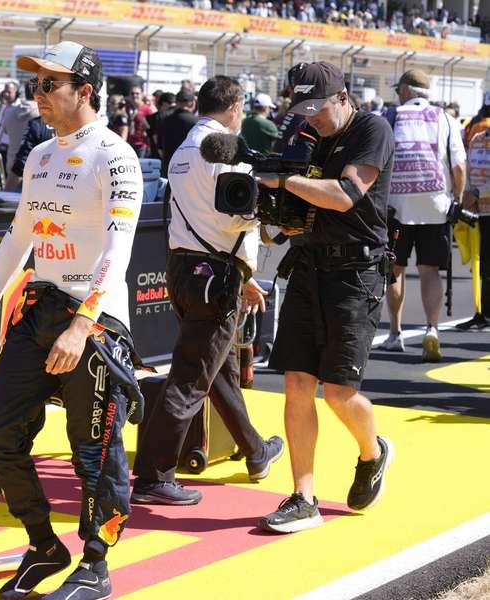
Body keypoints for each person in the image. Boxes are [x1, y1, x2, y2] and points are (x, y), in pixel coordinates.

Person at [0, 41, 144, 600]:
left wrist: (83, 324)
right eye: (35, 85)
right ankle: (43, 544)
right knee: (1, 436)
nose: (38, 96)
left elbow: (119, 248)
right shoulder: (40, 155)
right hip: (38, 315)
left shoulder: (116, 155)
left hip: (96, 324)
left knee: (94, 452)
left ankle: (96, 562)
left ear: (85, 91)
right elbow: (17, 240)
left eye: (49, 85)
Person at [131, 76, 284, 507]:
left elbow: (201, 218)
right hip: (214, 274)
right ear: (235, 107)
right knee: (191, 377)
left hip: (183, 267)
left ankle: (254, 450)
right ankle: (153, 475)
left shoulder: (181, 151)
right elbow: (235, 215)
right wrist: (264, 219)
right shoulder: (228, 153)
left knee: (218, 368)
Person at [259, 61, 395, 533]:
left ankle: (372, 450)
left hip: (356, 274)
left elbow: (344, 195)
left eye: (316, 109)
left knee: (339, 393)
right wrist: (274, 217)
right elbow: (301, 208)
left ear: (343, 96)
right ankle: (303, 496)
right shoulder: (306, 134)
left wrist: (282, 181)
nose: (309, 118)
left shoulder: (372, 128)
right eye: (301, 110)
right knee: (296, 383)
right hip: (310, 266)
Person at [380, 70, 466, 361]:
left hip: (396, 206)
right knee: (430, 270)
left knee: (395, 269)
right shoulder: (446, 119)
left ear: (405, 90)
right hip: (435, 204)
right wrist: (457, 198)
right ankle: (432, 328)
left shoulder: (390, 117)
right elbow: (459, 166)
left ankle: (395, 332)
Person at [456, 126, 490, 330]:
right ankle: (481, 313)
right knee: (480, 266)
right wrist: (466, 194)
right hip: (476, 213)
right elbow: (467, 170)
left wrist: (477, 193)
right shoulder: (477, 139)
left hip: (483, 206)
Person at [1, 82, 39, 190]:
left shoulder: (10, 113)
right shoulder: (42, 114)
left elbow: (5, 132)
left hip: (12, 169)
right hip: (36, 172)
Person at [7, 113, 55, 191]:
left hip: (42, 190)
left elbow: (21, 165)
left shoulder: (38, 124)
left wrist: (6, 193)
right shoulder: (38, 124)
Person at [157, 88, 198, 174]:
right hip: (188, 168)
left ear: (176, 102)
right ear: (192, 103)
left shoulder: (165, 120)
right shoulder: (196, 122)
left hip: (168, 166)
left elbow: (159, 147)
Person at [147, 91, 176, 160]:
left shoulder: (154, 117)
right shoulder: (158, 117)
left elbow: (152, 137)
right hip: (169, 154)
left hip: (159, 154)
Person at [126, 85, 152, 157]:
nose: (134, 95)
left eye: (137, 93)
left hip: (142, 144)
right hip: (129, 143)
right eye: (132, 93)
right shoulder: (126, 108)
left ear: (142, 95)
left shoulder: (147, 109)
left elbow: (151, 128)